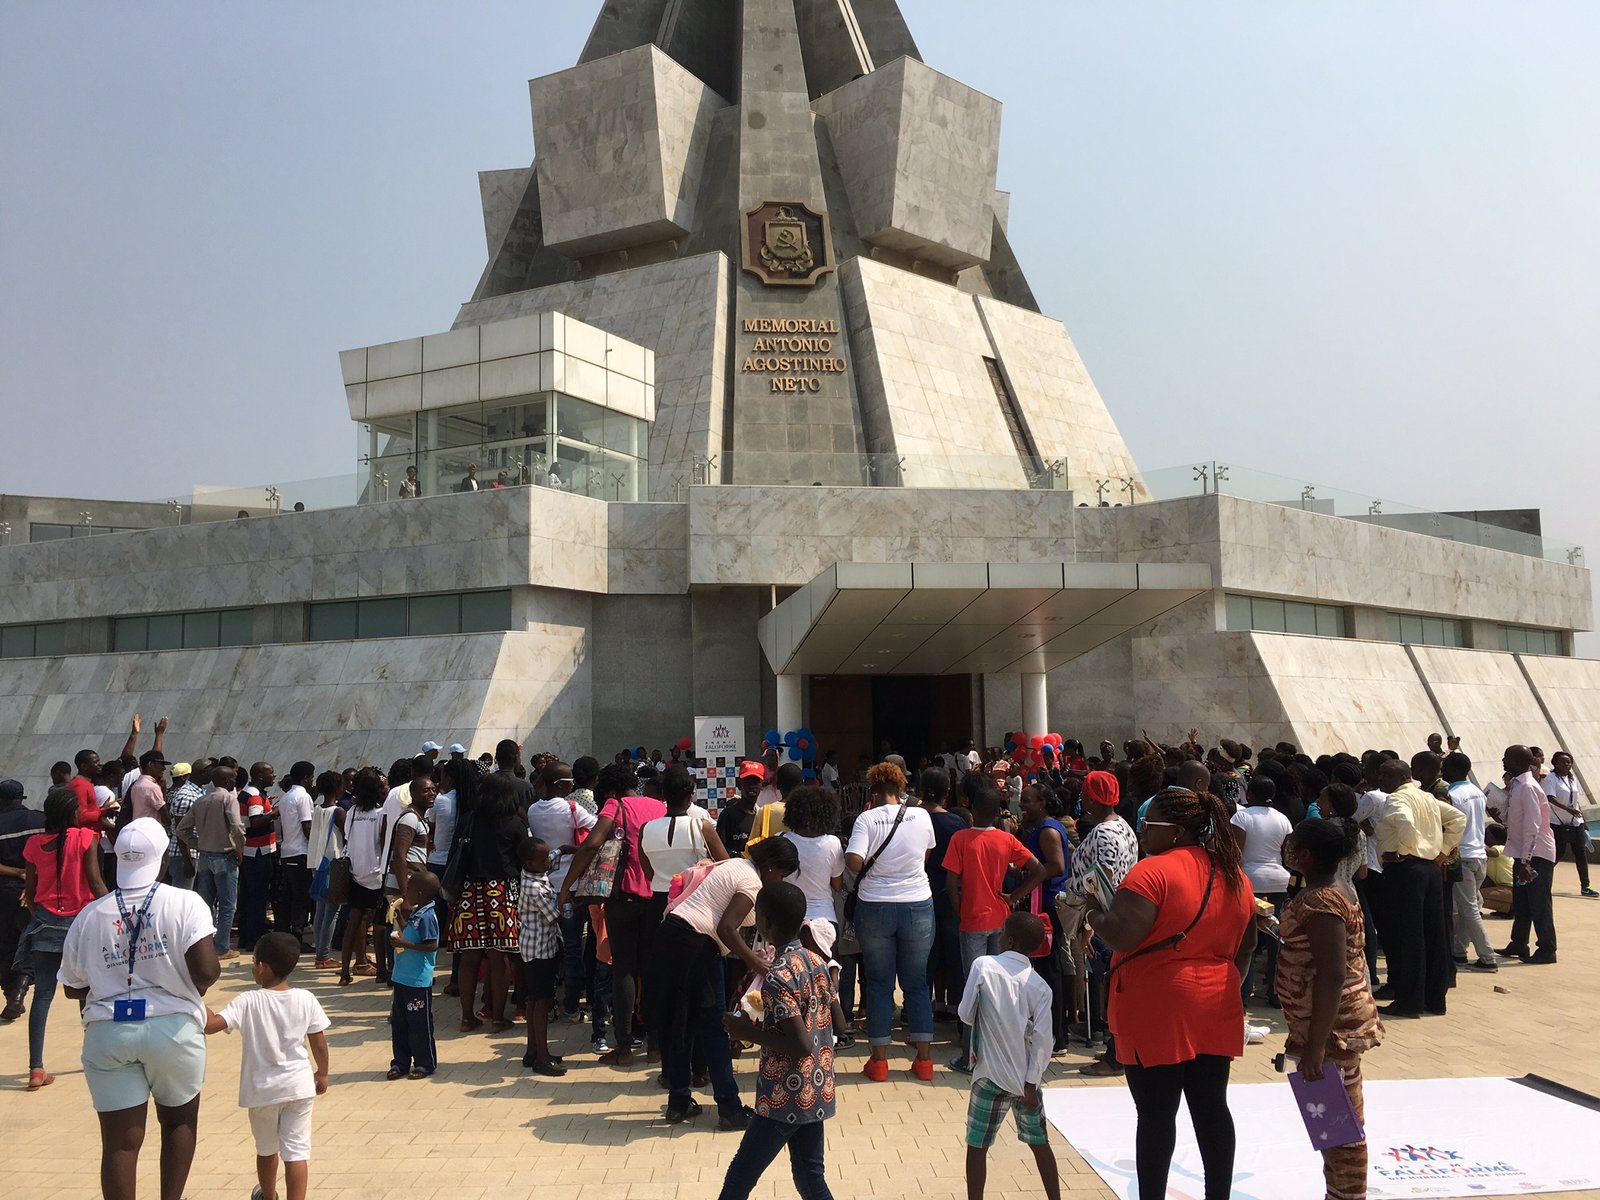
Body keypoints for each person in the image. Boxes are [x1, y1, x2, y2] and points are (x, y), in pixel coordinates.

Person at [1084, 787, 1256, 1200]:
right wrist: (1227, 985)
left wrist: (1092, 911)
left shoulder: (1151, 871)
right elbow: (1247, 945)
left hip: (1156, 1002)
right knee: (1212, 1108)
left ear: (1176, 831)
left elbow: (1123, 934)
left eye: (1149, 824)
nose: (1142, 831)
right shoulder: (1234, 873)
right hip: (1216, 998)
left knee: (1157, 1114)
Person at [58, 818, 221, 1200]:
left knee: (119, 1144)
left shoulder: (90, 914)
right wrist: (180, 987)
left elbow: (72, 987)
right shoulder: (185, 902)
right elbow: (207, 970)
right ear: (163, 858)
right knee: (178, 1121)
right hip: (173, 1030)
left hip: (108, 1031)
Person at [646, 836, 801, 1129]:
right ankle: (729, 1108)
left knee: (683, 1024)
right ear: (770, 866)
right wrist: (753, 962)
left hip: (672, 936)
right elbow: (726, 928)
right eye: (780, 874)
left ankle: (678, 1102)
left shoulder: (734, 864)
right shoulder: (751, 882)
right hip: (697, 946)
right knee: (717, 1028)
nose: (778, 881)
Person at [1276, 819, 1384, 1200]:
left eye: (1293, 846)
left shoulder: (1321, 901)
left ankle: (1347, 1195)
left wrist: (1316, 1045)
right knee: (1337, 1123)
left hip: (1334, 1029)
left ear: (1304, 855)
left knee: (1340, 1128)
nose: (1287, 850)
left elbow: (1333, 973)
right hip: (1328, 1025)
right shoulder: (1331, 892)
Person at [716, 880, 836, 1200]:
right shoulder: (815, 961)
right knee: (811, 1178)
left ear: (765, 923)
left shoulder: (778, 975)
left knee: (741, 1175)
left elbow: (799, 1044)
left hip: (784, 1095)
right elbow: (832, 1019)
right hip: (815, 1087)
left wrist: (746, 1032)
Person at [205, 931, 331, 1200]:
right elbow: (319, 1042)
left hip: (262, 1091)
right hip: (299, 1087)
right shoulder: (306, 998)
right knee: (296, 1151)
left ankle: (269, 1195)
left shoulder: (247, 1001)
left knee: (266, 1149)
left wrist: (195, 998)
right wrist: (322, 1073)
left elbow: (211, 1025)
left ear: (261, 967)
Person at [557, 762, 666, 1066]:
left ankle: (625, 1048)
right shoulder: (659, 806)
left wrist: (568, 886)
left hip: (624, 898)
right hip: (657, 896)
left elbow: (592, 843)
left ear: (610, 790)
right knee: (650, 971)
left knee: (624, 971)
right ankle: (655, 1045)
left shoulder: (615, 805)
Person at [845, 761, 938, 1082]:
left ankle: (879, 1061)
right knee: (917, 982)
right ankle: (924, 1061)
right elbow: (924, 857)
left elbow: (854, 863)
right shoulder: (922, 816)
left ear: (872, 791)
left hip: (875, 907)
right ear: (901, 789)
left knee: (880, 983)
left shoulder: (866, 819)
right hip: (918, 904)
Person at [943, 782, 1045, 1074]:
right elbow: (1038, 869)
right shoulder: (1006, 839)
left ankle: (969, 1057)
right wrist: (1014, 896)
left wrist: (960, 909)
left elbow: (951, 883)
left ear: (972, 810)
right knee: (1000, 986)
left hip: (972, 921)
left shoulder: (961, 839)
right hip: (1000, 921)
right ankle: (995, 1053)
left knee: (973, 988)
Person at [959, 912, 1060, 1200]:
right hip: (1025, 1082)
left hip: (988, 1075)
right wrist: (1031, 1083)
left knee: (977, 1147)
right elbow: (1043, 1041)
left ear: (1010, 940)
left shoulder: (984, 965)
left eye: (1003, 933)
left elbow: (966, 1014)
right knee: (1040, 1144)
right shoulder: (1041, 987)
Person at [20, 785, 108, 1089]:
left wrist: (43, 916)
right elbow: (96, 884)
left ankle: (36, 1068)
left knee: (42, 996)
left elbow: (30, 894)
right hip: (81, 926)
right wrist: (116, 914)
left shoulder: (33, 844)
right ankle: (95, 1056)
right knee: (88, 992)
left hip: (44, 925)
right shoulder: (86, 838)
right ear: (73, 813)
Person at [1372, 758, 1464, 1015]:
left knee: (1407, 937)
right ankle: (1434, 999)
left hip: (1406, 870)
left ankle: (1409, 1002)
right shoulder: (1425, 797)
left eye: (1384, 774)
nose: (1380, 779)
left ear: (1401, 778)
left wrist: (1403, 851)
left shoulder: (1397, 799)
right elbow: (1458, 818)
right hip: (1430, 871)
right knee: (1433, 935)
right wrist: (1443, 850)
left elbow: (1406, 824)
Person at [1063, 769, 1139, 1078]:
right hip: (1110, 914)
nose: (1081, 799)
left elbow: (1103, 878)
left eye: (1084, 795)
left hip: (1106, 917)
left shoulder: (1106, 833)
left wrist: (1091, 925)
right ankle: (1117, 1048)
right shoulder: (1121, 826)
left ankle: (1115, 1055)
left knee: (1111, 988)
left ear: (1093, 799)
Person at [450, 770, 526, 1029]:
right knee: (500, 957)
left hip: (470, 891)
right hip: (502, 892)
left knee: (469, 957)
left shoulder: (469, 819)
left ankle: (466, 1017)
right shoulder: (515, 823)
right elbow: (522, 860)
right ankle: (497, 1016)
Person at [1231, 775, 1294, 1007]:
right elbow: (1288, 853)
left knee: (1247, 940)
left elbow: (1236, 852)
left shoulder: (1241, 816)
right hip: (1278, 880)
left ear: (1250, 794)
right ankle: (1276, 993)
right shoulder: (1283, 819)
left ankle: (1243, 993)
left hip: (1250, 881)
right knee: (1276, 937)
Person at [1017, 783, 1071, 1053]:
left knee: (1049, 971)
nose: (1021, 805)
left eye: (1027, 801)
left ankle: (1056, 1038)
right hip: (1042, 904)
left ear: (1043, 804)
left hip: (1047, 907)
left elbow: (1056, 866)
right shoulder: (1039, 828)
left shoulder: (1048, 830)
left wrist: (1023, 888)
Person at [178, 764, 245, 960]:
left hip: (205, 856)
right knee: (227, 905)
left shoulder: (201, 800)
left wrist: (197, 844)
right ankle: (222, 947)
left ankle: (205, 944)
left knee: (206, 904)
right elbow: (236, 826)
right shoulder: (228, 798)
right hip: (225, 856)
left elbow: (182, 829)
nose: (235, 781)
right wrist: (239, 848)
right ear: (226, 781)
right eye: (233, 778)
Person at [1500, 744, 1558, 964]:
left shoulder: (1528, 787)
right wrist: (1501, 817)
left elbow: (1533, 826)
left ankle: (1547, 949)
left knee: (1539, 903)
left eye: (1507, 759)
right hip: (1522, 853)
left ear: (1518, 761)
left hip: (1536, 855)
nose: (1503, 762)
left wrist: (1526, 861)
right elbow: (1518, 820)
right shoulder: (1517, 786)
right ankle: (1518, 943)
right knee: (1522, 902)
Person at [920, 766, 969, 1020]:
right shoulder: (955, 822)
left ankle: (919, 1016)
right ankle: (962, 1018)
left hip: (919, 894)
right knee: (955, 958)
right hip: (951, 896)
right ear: (946, 792)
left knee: (924, 959)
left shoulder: (912, 818)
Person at [1442, 752, 1497, 971]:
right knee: (1469, 907)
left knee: (1470, 910)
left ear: (1454, 770)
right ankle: (1459, 951)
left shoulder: (1452, 794)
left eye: (1445, 767)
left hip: (1463, 856)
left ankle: (1487, 956)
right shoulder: (1477, 792)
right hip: (1479, 856)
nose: (1443, 772)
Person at [516, 838, 566, 1077]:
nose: (548, 861)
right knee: (541, 1001)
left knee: (534, 999)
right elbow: (555, 915)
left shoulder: (535, 868)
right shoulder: (533, 888)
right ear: (529, 862)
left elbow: (557, 852)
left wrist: (572, 849)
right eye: (543, 859)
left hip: (534, 946)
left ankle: (532, 1051)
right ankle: (543, 1058)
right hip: (539, 949)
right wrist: (571, 902)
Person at [337, 768, 389, 986]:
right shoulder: (380, 815)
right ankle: (381, 971)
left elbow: (348, 838)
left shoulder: (352, 813)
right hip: (376, 875)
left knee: (353, 923)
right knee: (378, 925)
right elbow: (384, 844)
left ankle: (344, 973)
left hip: (355, 874)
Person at [388, 871, 442, 1080]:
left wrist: (404, 944)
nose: (405, 893)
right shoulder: (418, 913)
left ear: (419, 894)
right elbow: (412, 933)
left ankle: (425, 1063)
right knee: (400, 1023)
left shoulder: (428, 916)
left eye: (408, 889)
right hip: (402, 977)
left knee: (419, 1024)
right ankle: (400, 1062)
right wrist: (400, 919)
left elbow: (431, 945)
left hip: (417, 981)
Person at [0, 779, 46, 1023]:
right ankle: (20, 991)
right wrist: (31, 881)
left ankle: (11, 995)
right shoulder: (40, 821)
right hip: (34, 892)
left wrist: (17, 874)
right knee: (27, 944)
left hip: (4, 893)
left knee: (5, 946)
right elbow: (51, 856)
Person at [778, 785, 844, 928]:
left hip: (787, 919)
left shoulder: (780, 840)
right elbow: (837, 885)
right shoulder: (833, 843)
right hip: (824, 920)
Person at [237, 763, 280, 952]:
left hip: (250, 852)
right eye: (271, 773)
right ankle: (254, 937)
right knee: (257, 896)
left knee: (248, 895)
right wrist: (274, 813)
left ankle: (246, 936)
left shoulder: (249, 793)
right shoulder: (254, 796)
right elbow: (255, 822)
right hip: (258, 852)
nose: (274, 775)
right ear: (260, 776)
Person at [1543, 752, 1594, 896]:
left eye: (1569, 762)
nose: (1566, 765)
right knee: (1558, 853)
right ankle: (1542, 881)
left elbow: (1576, 801)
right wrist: (1567, 809)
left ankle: (1585, 886)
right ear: (1555, 763)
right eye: (1563, 762)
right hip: (1557, 822)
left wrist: (1583, 819)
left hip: (1575, 821)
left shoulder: (1572, 779)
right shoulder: (1551, 779)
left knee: (1581, 853)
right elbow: (1550, 797)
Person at [276, 761, 316, 947]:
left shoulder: (285, 798)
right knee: (301, 898)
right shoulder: (304, 797)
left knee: (289, 897)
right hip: (301, 851)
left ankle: (285, 934)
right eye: (311, 777)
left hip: (287, 851)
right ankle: (297, 937)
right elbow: (306, 826)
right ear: (306, 777)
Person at [164, 762, 206, 890]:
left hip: (188, 852)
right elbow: (181, 830)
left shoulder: (171, 792)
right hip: (184, 854)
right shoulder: (186, 796)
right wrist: (187, 861)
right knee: (182, 895)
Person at [717, 762, 765, 860]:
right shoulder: (727, 815)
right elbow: (718, 848)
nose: (752, 786)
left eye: (756, 781)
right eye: (747, 781)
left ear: (762, 785)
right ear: (739, 784)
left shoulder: (763, 815)